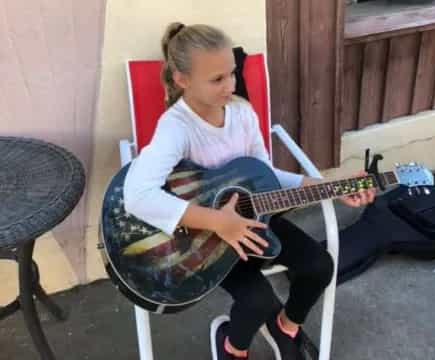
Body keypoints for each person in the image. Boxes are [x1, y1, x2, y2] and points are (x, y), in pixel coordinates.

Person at [123, 22, 375, 360]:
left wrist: (333, 187)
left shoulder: (241, 112)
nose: (230, 86)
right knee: (258, 301)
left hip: (252, 221)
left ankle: (284, 327)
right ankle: (232, 345)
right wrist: (217, 221)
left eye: (231, 74)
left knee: (319, 266)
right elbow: (137, 194)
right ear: (182, 79)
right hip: (203, 241)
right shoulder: (175, 127)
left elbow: (266, 176)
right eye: (217, 80)